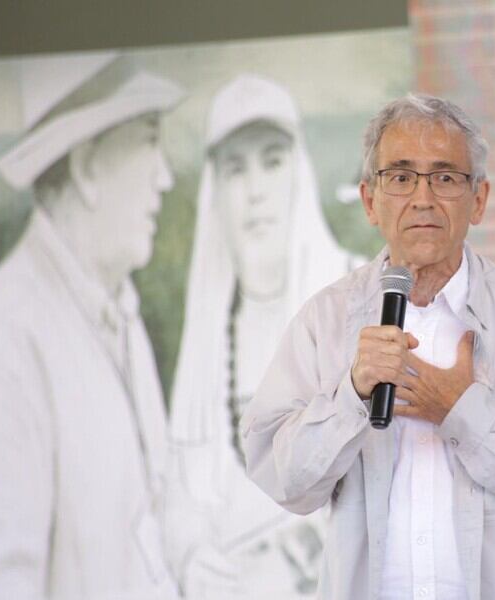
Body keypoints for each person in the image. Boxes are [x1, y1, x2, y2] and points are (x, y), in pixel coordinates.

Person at [240, 93, 495, 599]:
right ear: (369, 200)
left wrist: (467, 413)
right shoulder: (325, 320)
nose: (423, 198)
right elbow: (283, 481)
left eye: (446, 177)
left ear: (478, 200)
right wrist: (351, 396)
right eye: (401, 177)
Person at [0, 52, 183, 598]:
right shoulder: (4, 339)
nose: (165, 177)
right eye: (149, 140)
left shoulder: (117, 308)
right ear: (87, 167)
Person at [166, 75, 356, 598]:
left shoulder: (365, 301)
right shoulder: (209, 329)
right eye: (235, 169)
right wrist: (190, 554)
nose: (255, 192)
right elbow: (181, 487)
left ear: (298, 173)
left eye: (271, 162)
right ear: (216, 193)